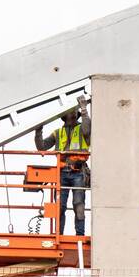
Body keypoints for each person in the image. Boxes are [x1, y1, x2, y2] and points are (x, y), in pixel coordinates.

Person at [35, 98, 91, 236]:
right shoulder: (58, 133)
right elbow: (41, 147)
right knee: (60, 206)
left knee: (79, 205)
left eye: (73, 113)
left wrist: (84, 110)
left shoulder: (82, 129)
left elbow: (87, 129)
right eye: (69, 113)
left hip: (78, 171)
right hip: (62, 172)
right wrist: (38, 131)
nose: (71, 115)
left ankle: (79, 235)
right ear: (65, 116)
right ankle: (59, 235)